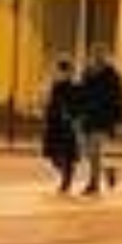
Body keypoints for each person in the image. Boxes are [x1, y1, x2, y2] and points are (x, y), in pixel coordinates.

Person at [74, 43, 122, 196]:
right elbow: (81, 95)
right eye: (95, 54)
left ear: (106, 55)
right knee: (86, 151)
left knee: (95, 150)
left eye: (101, 54)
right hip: (88, 117)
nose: (98, 57)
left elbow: (119, 99)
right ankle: (107, 170)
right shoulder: (87, 72)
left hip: (104, 118)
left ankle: (93, 184)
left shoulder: (112, 74)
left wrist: (119, 121)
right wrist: (77, 113)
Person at [40, 56, 81, 193]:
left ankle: (66, 179)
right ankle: (66, 175)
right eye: (59, 70)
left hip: (66, 124)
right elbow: (49, 103)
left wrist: (72, 116)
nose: (60, 73)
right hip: (54, 123)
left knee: (66, 154)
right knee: (53, 155)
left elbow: (76, 104)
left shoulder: (73, 87)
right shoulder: (54, 85)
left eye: (63, 71)